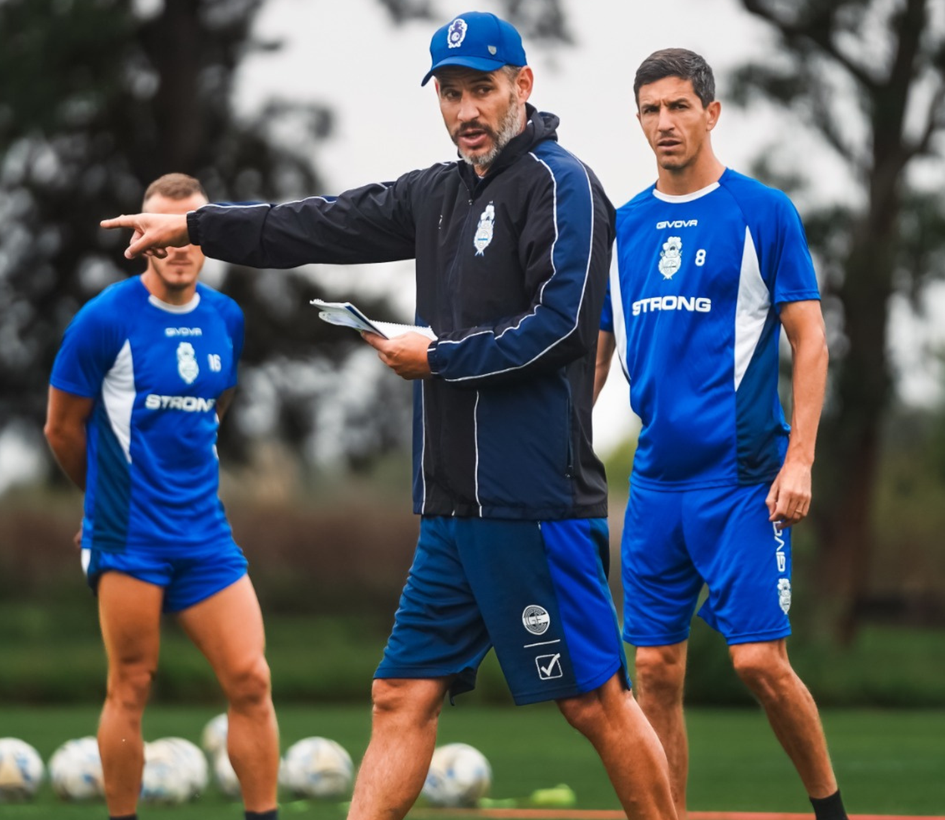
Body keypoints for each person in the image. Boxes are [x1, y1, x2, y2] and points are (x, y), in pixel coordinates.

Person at [101, 14, 676, 820]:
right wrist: (198, 225)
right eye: (451, 93)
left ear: (523, 86)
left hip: (531, 506)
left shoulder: (562, 183)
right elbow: (314, 221)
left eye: (483, 89)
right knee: (400, 695)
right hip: (447, 511)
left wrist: (435, 356)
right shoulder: (434, 193)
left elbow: (562, 329)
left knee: (593, 701)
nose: (467, 109)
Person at [593, 49, 843, 820]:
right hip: (656, 487)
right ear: (637, 120)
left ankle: (830, 811)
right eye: (650, 110)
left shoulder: (763, 212)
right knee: (656, 671)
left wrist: (799, 459)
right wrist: (562, 441)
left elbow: (812, 340)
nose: (664, 124)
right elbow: (599, 350)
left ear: (712, 111)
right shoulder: (622, 227)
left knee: (760, 663)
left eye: (678, 107)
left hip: (743, 483)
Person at [45, 174, 279, 820]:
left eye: (190, 233)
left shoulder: (225, 318)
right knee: (132, 685)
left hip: (206, 536)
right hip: (128, 538)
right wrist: (99, 501)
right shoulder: (104, 320)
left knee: (251, 680)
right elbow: (61, 428)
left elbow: (217, 407)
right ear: (141, 236)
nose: (178, 247)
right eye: (163, 233)